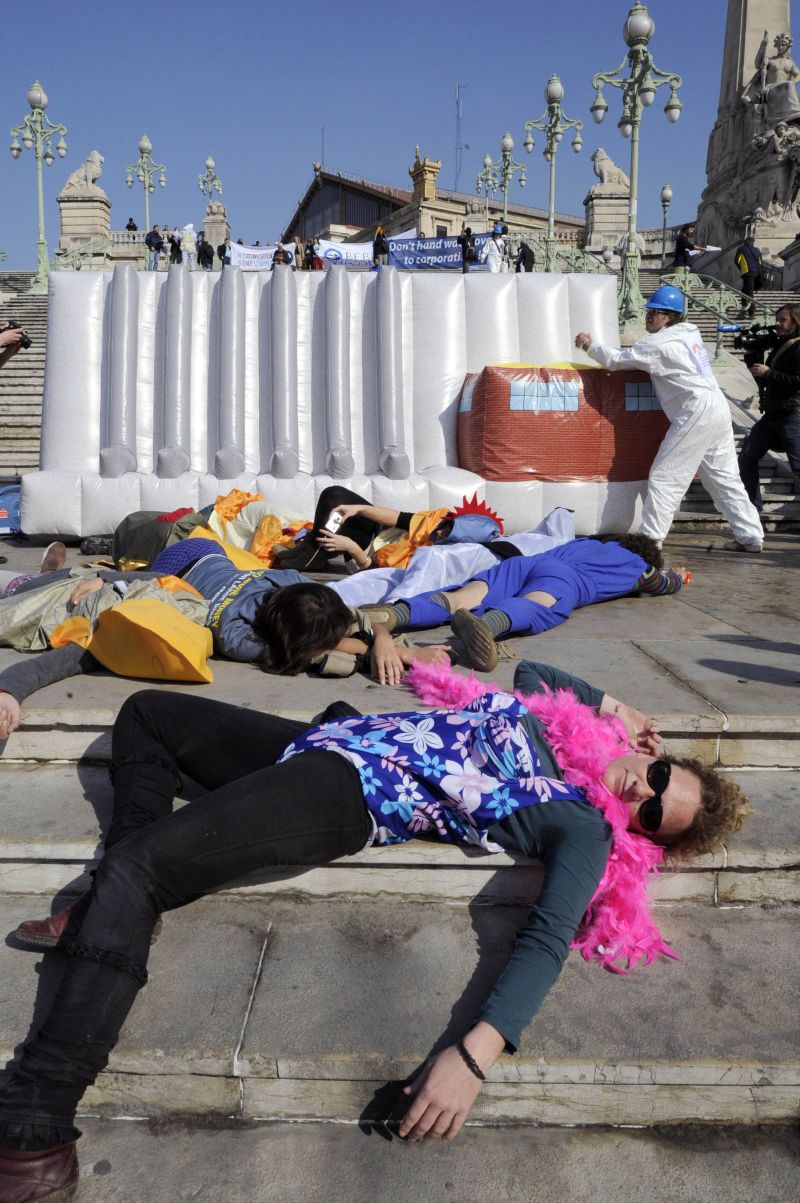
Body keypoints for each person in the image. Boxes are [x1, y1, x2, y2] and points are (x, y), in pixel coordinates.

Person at [0, 655, 750, 1198]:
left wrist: (475, 1055)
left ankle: (37, 1123)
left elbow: (547, 938)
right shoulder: (566, 725)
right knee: (147, 714)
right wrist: (616, 709)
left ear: (645, 835)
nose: (640, 790)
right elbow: (532, 672)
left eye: (655, 812)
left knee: (143, 870)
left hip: (347, 792)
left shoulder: (583, 826)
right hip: (333, 740)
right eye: (658, 775)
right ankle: (105, 901)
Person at [575, 286, 765, 553]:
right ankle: (750, 536)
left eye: (654, 312)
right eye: (649, 311)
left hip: (694, 410)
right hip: (716, 407)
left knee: (665, 477)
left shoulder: (657, 344)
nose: (648, 317)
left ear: (670, 316)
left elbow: (618, 360)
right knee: (724, 478)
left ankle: (649, 541)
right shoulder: (690, 334)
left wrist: (590, 346)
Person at [358, 535, 687, 671]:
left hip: (524, 564)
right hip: (566, 580)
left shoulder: (584, 541)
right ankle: (488, 625)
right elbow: (662, 583)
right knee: (539, 603)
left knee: (462, 596)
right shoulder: (637, 567)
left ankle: (394, 612)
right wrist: (678, 576)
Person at [738, 303, 800, 511]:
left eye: (783, 320)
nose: (778, 324)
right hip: (772, 415)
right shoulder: (782, 342)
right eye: (777, 319)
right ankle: (753, 511)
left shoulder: (798, 346)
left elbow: (797, 380)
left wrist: (768, 373)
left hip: (792, 414)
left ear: (796, 322)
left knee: (798, 467)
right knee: (747, 457)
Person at [735, 235, 763, 316]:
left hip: (748, 273)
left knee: (750, 292)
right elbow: (761, 263)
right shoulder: (757, 250)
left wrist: (742, 268)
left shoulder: (741, 249)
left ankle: (751, 311)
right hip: (757, 273)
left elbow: (736, 260)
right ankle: (744, 308)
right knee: (744, 290)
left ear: (745, 242)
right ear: (753, 243)